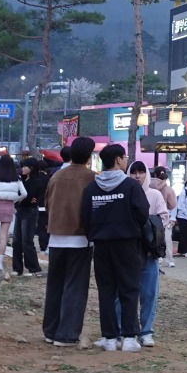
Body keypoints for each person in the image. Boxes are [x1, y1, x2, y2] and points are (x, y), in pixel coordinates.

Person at [82, 143, 149, 352]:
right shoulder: (131, 187)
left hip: (101, 245)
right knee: (129, 289)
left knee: (106, 291)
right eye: (125, 158)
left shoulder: (92, 188)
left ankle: (109, 338)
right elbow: (143, 212)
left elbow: (85, 216)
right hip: (127, 244)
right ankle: (129, 338)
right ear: (119, 160)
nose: (126, 161)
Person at [41, 136, 97, 346]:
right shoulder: (91, 178)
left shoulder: (56, 176)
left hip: (56, 237)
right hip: (80, 238)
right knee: (75, 286)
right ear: (89, 156)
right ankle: (67, 334)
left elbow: (48, 204)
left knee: (55, 285)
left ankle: (50, 331)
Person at [125, 161, 168, 346]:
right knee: (124, 293)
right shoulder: (124, 194)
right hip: (128, 251)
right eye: (133, 172)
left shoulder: (154, 194)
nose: (137, 176)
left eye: (141, 172)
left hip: (149, 251)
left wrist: (149, 227)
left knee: (149, 293)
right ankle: (125, 329)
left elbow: (164, 218)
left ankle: (146, 331)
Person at [12, 154, 46, 277]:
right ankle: (17, 268)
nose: (23, 169)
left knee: (27, 241)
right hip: (20, 210)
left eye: (25, 167)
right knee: (16, 241)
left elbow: (30, 197)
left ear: (31, 168)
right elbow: (22, 196)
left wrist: (24, 199)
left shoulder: (36, 181)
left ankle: (34, 268)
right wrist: (23, 199)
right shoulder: (21, 179)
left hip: (30, 212)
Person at [151, 165, 179, 267]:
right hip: (164, 217)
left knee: (156, 239)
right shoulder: (168, 189)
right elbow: (173, 205)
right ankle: (168, 259)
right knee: (166, 239)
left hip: (154, 218)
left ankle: (159, 258)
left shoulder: (149, 187)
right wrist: (172, 218)